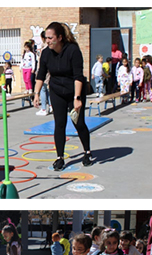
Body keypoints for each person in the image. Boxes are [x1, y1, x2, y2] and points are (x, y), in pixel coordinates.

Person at [34, 22, 93, 171]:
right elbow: (41, 74)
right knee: (59, 124)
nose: (47, 41)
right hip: (57, 91)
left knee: (78, 123)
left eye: (50, 38)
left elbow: (79, 76)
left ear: (59, 37)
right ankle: (60, 157)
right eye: (46, 38)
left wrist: (77, 98)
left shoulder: (72, 50)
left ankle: (87, 152)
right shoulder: (46, 53)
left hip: (74, 91)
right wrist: (36, 94)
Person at [36, 31, 51, 115]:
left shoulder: (45, 48)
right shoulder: (45, 47)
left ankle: (44, 108)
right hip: (46, 70)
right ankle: (50, 105)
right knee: (46, 90)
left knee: (43, 89)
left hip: (45, 71)